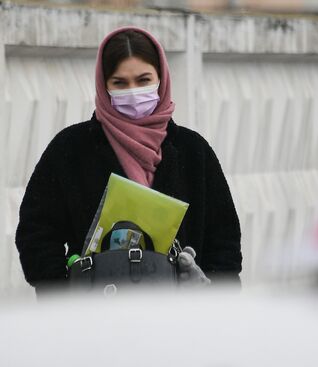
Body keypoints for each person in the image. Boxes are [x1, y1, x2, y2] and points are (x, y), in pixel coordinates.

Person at [15, 26, 242, 295]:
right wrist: (65, 295)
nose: (133, 92)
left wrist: (212, 296)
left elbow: (224, 240)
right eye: (120, 83)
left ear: (162, 79)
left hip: (180, 320)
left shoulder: (194, 151)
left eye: (144, 79)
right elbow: (36, 232)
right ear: (104, 85)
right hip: (93, 320)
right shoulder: (71, 148)